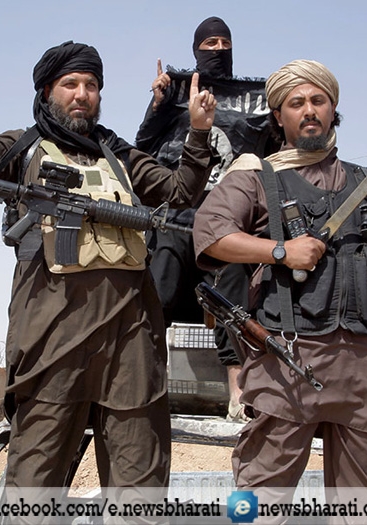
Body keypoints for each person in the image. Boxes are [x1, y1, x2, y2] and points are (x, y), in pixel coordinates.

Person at [0, 39, 216, 493]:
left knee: (140, 484)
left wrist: (198, 132)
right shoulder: (26, 148)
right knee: (35, 483)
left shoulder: (117, 155)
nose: (82, 94)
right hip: (52, 337)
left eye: (91, 85)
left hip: (130, 339)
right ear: (47, 91)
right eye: (70, 84)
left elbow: (179, 191)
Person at [193, 59, 367, 515]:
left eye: (318, 101)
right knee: (260, 503)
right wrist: (280, 251)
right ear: (279, 115)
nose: (309, 110)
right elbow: (210, 234)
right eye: (297, 103)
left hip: (364, 371)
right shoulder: (256, 178)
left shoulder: (366, 185)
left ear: (332, 109)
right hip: (286, 364)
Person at [136, 16, 280, 422]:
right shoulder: (178, 94)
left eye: (224, 43)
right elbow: (143, 147)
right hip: (176, 219)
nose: (218, 49)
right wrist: (158, 105)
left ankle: (238, 390)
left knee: (232, 293)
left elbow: (274, 153)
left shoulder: (255, 102)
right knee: (158, 286)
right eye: (209, 43)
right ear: (196, 49)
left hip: (227, 222)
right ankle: (147, 382)